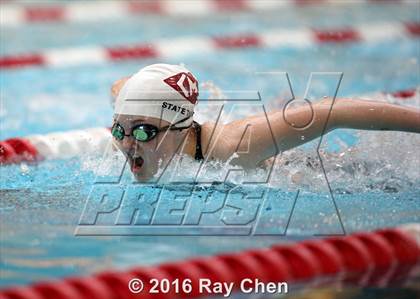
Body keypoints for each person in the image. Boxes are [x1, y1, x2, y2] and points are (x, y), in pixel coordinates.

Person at [111, 64, 420, 181]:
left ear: (179, 128)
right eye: (119, 129)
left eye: (142, 131)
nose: (127, 143)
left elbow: (332, 111)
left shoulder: (234, 147)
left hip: (311, 173)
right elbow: (121, 87)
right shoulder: (135, 120)